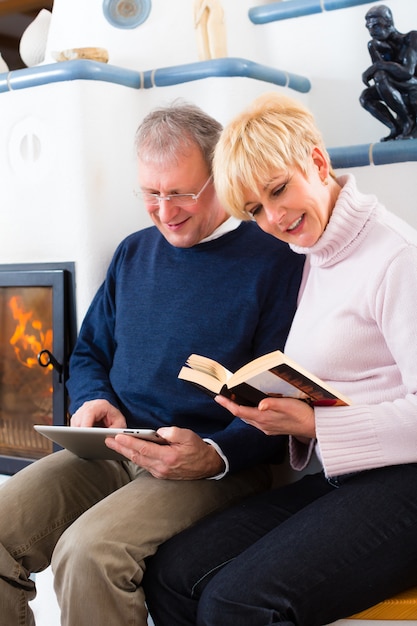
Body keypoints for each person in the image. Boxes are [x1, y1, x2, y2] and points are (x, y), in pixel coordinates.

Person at [0, 102, 304, 626]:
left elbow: (283, 402)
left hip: (214, 465)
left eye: (183, 192)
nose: (166, 211)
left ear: (221, 178)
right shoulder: (133, 254)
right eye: (151, 194)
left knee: (89, 553)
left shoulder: (275, 258)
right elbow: (89, 352)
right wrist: (94, 397)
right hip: (114, 449)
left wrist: (213, 453)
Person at [143, 92, 417, 626]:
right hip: (352, 478)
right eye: (254, 210)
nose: (275, 217)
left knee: (237, 604)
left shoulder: (398, 258)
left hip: (407, 482)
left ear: (316, 161)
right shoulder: (316, 253)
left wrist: (316, 423)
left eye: (278, 190)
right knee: (173, 573)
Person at [360, 4, 417, 141]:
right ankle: (395, 127)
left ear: (388, 23)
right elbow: (379, 80)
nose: (371, 31)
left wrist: (379, 65)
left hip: (414, 85)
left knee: (380, 74)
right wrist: (373, 49)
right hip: (398, 85)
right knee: (366, 97)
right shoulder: (376, 45)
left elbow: (407, 72)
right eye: (368, 27)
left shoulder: (411, 38)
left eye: (376, 26)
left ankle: (409, 121)